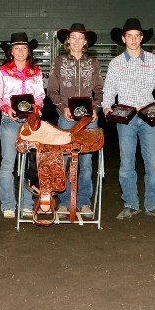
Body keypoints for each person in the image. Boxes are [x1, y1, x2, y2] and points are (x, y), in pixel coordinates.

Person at [102, 18, 155, 220]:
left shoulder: (152, 60)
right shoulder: (116, 63)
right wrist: (107, 106)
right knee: (127, 162)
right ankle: (131, 203)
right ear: (123, 39)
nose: (133, 39)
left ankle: (153, 204)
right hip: (126, 117)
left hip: (149, 115)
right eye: (129, 36)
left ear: (142, 38)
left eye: (137, 36)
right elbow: (109, 89)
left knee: (152, 162)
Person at [47, 23, 104, 215]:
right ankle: (64, 201)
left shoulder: (93, 63)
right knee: (65, 160)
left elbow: (100, 90)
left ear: (85, 42)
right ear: (68, 41)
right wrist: (63, 108)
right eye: (74, 38)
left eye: (81, 38)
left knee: (86, 162)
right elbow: (52, 90)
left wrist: (96, 108)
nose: (77, 41)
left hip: (89, 119)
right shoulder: (59, 62)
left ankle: (84, 201)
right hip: (67, 118)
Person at [0, 32, 46, 218]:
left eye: (24, 48)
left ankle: (27, 203)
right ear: (11, 51)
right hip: (9, 121)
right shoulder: (2, 71)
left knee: (31, 163)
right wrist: (6, 108)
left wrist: (37, 107)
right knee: (8, 163)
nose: (21, 52)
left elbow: (39, 95)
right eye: (17, 48)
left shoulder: (35, 72)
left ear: (28, 51)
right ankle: (8, 204)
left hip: (30, 122)